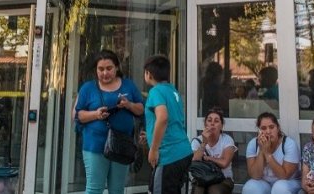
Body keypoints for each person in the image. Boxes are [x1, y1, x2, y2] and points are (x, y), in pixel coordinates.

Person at [74, 50, 144, 194]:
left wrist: (129, 105)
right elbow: (78, 115)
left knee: (117, 190)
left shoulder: (128, 85)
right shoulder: (88, 88)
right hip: (95, 146)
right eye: (101, 69)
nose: (105, 73)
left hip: (122, 146)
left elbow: (141, 109)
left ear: (117, 67)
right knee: (94, 189)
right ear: (95, 70)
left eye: (109, 68)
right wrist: (96, 114)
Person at [143, 54, 192, 194]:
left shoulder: (155, 91)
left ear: (149, 74)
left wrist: (153, 149)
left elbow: (163, 117)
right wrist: (150, 134)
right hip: (183, 151)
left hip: (168, 154)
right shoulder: (172, 90)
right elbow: (172, 121)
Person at [243, 112, 301, 194]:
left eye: (271, 127)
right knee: (250, 188)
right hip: (265, 182)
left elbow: (284, 175)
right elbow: (255, 175)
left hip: (288, 182)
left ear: (278, 128)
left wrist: (267, 154)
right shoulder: (253, 144)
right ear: (259, 130)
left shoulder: (289, 144)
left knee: (279, 188)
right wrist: (262, 150)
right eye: (263, 128)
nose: (268, 131)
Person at [191, 108, 236, 194]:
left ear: (222, 126)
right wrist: (204, 143)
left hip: (223, 178)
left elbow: (224, 163)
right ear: (205, 124)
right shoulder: (197, 141)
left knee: (214, 191)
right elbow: (194, 161)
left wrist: (209, 158)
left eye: (216, 121)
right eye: (209, 120)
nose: (212, 123)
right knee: (197, 191)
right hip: (202, 177)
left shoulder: (227, 140)